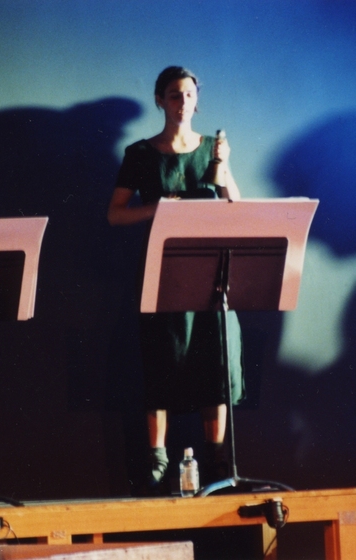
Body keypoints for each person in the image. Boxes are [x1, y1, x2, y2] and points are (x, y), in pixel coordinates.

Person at [107, 66, 244, 492]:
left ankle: (219, 463)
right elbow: (114, 214)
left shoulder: (211, 150)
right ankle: (158, 461)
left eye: (188, 94)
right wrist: (158, 209)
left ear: (196, 100)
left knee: (215, 363)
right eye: (173, 95)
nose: (181, 102)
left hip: (209, 271)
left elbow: (234, 206)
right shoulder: (141, 154)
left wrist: (223, 168)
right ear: (160, 100)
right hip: (162, 269)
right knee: (160, 360)